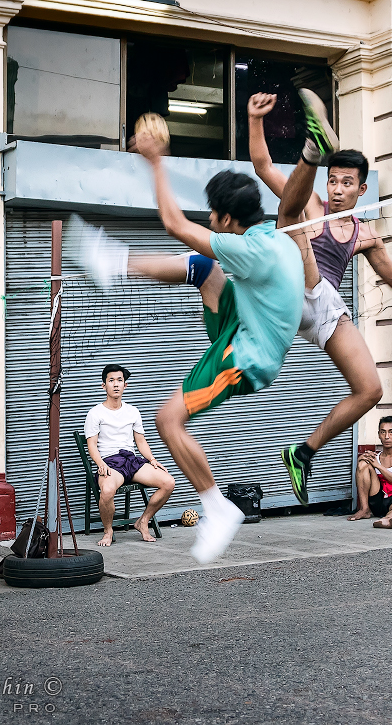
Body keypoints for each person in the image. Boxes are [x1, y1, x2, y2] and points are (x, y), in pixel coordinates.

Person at [74, 122, 305, 565]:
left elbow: (174, 223)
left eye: (213, 215)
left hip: (244, 355)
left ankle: (217, 507)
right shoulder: (272, 238)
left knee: (167, 420)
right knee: (203, 267)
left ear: (228, 220)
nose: (210, 220)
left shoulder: (247, 250)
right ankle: (114, 262)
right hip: (245, 323)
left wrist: (156, 162)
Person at [247, 90, 392, 507]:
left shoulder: (366, 234)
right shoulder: (315, 205)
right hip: (289, 287)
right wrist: (254, 120)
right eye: (333, 180)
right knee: (291, 212)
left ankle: (302, 453)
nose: (338, 189)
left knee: (370, 389)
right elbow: (263, 165)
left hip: (321, 306)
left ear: (361, 190)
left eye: (346, 183)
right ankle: (313, 149)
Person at [84, 363, 175, 546]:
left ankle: (143, 521)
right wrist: (101, 463)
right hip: (110, 463)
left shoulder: (132, 411)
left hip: (131, 462)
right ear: (104, 385)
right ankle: (108, 531)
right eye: (111, 380)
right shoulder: (95, 413)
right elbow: (91, 445)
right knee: (107, 490)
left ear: (125, 385)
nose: (116, 384)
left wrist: (152, 459)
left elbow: (140, 441)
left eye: (119, 380)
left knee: (168, 482)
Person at [349, 416, 392, 529]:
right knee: (363, 464)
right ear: (379, 434)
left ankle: (388, 519)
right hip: (378, 501)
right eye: (383, 432)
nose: (387, 436)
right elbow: (363, 474)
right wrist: (360, 461)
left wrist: (378, 466)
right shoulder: (375, 457)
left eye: (391, 432)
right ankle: (365, 510)